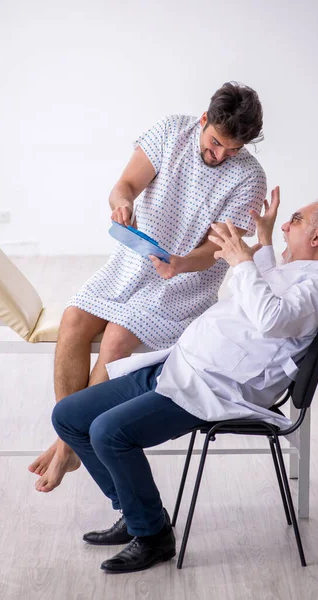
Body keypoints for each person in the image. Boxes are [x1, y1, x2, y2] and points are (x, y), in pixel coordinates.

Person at [51, 188, 318, 573]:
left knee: (109, 432)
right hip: (182, 365)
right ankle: (134, 510)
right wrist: (261, 241)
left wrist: (242, 262)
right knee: (69, 415)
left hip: (213, 387)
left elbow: (273, 318)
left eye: (295, 220)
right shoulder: (306, 273)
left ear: (317, 237)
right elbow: (270, 291)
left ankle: (153, 535)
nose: (286, 226)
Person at [30, 81, 267, 492]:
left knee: (117, 341)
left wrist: (179, 264)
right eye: (215, 144)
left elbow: (216, 250)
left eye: (232, 150)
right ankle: (71, 440)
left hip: (184, 286)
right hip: (131, 263)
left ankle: (67, 448)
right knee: (72, 321)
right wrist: (121, 203)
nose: (221, 156)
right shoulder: (169, 133)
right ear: (203, 119)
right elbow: (124, 186)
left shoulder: (250, 177)